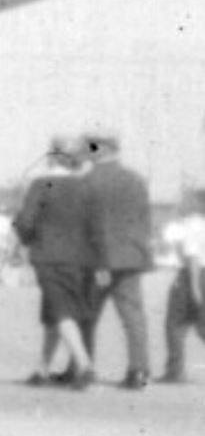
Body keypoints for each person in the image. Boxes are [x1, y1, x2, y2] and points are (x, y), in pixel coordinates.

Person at [15, 138, 98, 388]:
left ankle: (83, 364)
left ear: (51, 157)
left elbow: (26, 222)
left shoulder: (42, 184)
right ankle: (42, 369)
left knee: (60, 310)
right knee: (55, 310)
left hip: (48, 254)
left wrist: (25, 238)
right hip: (81, 257)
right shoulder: (85, 186)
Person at [78, 129, 155, 391]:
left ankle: (83, 368)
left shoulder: (88, 181)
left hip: (98, 260)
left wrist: (100, 262)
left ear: (101, 149)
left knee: (87, 315)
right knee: (133, 317)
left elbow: (92, 225)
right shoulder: (135, 179)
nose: (86, 152)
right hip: (132, 257)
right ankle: (139, 371)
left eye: (90, 147)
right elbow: (144, 219)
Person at [160, 191, 204, 385]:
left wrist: (195, 287)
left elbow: (192, 256)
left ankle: (175, 371)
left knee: (175, 323)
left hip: (192, 275)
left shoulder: (193, 224)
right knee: (201, 324)